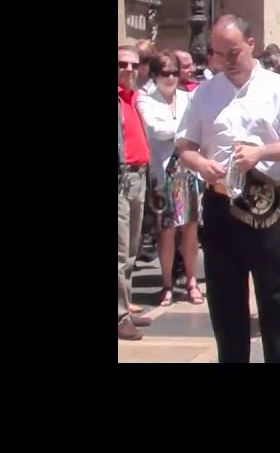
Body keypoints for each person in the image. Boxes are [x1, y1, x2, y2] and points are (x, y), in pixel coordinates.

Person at [174, 14, 280, 363]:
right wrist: (201, 164)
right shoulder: (207, 92)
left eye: (233, 51)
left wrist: (261, 152)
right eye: (219, 53)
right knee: (225, 305)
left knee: (279, 301)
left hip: (269, 205)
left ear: (251, 44)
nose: (226, 60)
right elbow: (185, 145)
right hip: (222, 205)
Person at [137, 52, 203, 307]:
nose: (171, 77)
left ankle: (191, 282)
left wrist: (186, 131)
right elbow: (156, 129)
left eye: (175, 72)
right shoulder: (145, 100)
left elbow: (198, 129)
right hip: (163, 173)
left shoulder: (189, 98)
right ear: (154, 75)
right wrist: (185, 131)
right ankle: (166, 284)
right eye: (165, 73)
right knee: (166, 231)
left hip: (189, 171)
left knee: (190, 229)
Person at [118, 45, 153, 340]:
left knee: (130, 252)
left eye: (133, 65)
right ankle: (119, 316)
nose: (129, 69)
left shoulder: (133, 98)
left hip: (138, 178)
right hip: (121, 180)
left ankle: (125, 306)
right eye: (122, 65)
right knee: (118, 252)